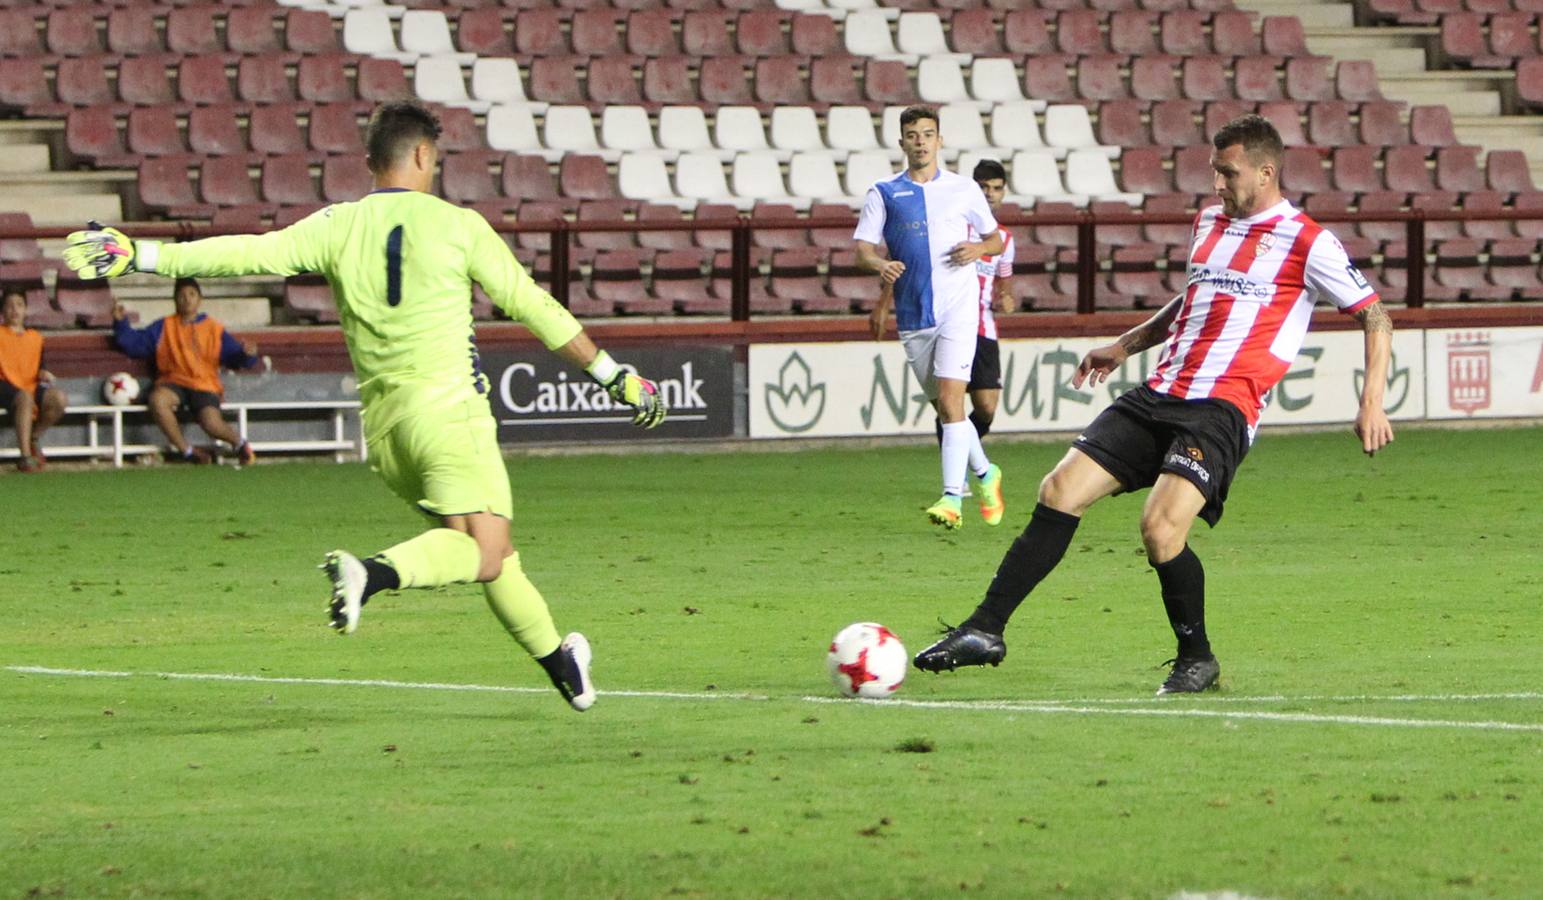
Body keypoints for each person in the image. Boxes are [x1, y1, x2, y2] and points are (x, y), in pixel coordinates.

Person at [64, 100, 666, 712]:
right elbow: (534, 306)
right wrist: (612, 374)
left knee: (490, 550)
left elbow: (249, 251)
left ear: (369, 162)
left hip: (385, 434)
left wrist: (144, 254)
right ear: (425, 155)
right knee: (482, 552)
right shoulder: (459, 226)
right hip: (449, 416)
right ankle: (369, 574)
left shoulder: (338, 225)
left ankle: (563, 665)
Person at [913, 115, 1395, 694]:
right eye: (1214, 171)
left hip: (1222, 408)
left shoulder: (1307, 240)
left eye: (1229, 172)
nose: (1217, 183)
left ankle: (1197, 657)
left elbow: (1375, 315)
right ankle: (984, 630)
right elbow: (1194, 296)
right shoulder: (1210, 221)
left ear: (1267, 172)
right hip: (1160, 391)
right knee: (1058, 490)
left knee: (1161, 530)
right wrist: (1125, 344)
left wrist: (1372, 403)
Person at [859, 105, 1007, 530]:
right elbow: (862, 249)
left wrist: (978, 250)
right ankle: (986, 473)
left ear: (940, 140)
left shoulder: (964, 190)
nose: (920, 141)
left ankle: (951, 498)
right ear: (901, 141)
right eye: (912, 134)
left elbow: (994, 240)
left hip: (959, 312)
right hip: (914, 316)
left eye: (928, 133)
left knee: (949, 400)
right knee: (947, 408)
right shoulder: (884, 192)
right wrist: (878, 266)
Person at [110, 278, 260, 465]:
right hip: (173, 382)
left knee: (211, 422)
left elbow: (236, 358)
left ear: (199, 299)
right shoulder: (163, 327)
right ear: (174, 300)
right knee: (158, 400)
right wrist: (120, 323)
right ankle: (187, 451)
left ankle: (239, 444)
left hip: (204, 384)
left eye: (191, 294)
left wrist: (247, 355)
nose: (187, 299)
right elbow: (134, 344)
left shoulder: (214, 329)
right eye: (181, 295)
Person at [927, 159, 1016, 449]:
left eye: (997, 188)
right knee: (951, 401)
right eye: (984, 187)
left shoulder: (1003, 238)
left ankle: (956, 447)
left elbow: (1003, 284)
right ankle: (955, 468)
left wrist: (1005, 298)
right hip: (950, 322)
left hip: (983, 329)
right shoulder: (955, 226)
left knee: (986, 408)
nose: (990, 193)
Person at [0, 286, 68, 472]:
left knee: (58, 398)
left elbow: (40, 366)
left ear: (25, 309)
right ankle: (25, 456)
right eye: (10, 306)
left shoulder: (35, 338)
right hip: (4, 384)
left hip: (29, 384)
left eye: (19, 305)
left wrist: (43, 373)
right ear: (3, 311)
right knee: (24, 398)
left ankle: (34, 436)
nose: (15, 310)